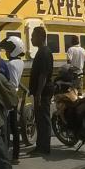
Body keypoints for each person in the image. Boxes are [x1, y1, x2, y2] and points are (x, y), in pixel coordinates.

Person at [1, 36, 27, 161]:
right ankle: (16, 155)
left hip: (8, 96)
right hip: (15, 96)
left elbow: (10, 82)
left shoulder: (10, 64)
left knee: (6, 126)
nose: (6, 52)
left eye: (7, 50)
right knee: (14, 126)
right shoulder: (20, 62)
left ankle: (5, 153)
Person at [29, 26, 54, 155]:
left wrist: (38, 93)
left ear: (40, 37)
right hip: (41, 92)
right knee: (39, 119)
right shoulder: (41, 51)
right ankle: (40, 146)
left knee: (43, 119)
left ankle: (44, 147)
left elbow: (43, 75)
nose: (31, 39)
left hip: (43, 92)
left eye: (33, 36)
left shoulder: (44, 53)